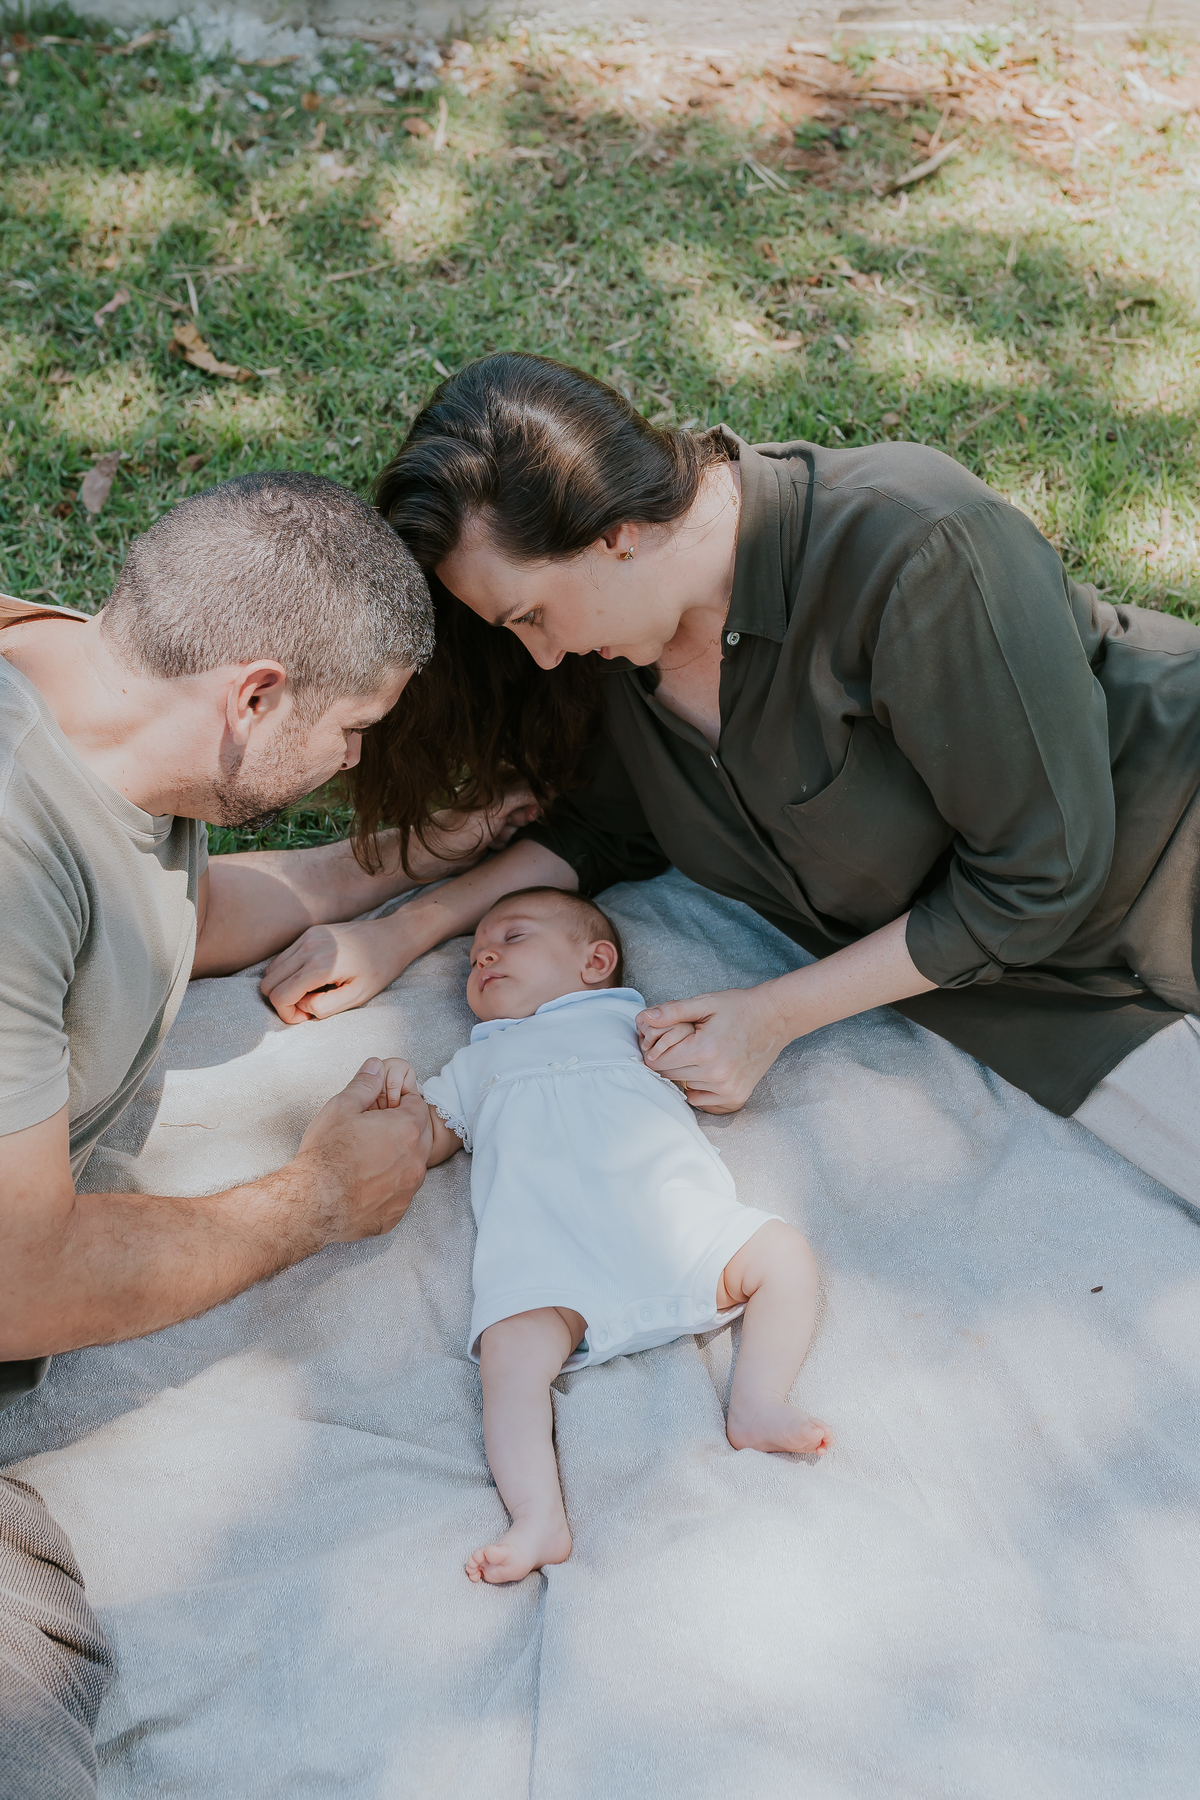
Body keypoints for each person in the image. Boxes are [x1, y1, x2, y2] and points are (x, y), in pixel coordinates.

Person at [260, 354, 1200, 1210]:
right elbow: (605, 828)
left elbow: (1041, 876)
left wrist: (773, 1017)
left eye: (531, 616)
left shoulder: (923, 550)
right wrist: (401, 931)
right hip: (1029, 978)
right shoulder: (621, 641)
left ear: (617, 533)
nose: (541, 656)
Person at [0, 472, 533, 1800]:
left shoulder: (83, 685)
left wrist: (394, 864)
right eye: (354, 729)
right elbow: (19, 1279)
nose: (354, 761)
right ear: (254, 695)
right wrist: (319, 1199)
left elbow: (165, 905)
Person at [399, 885, 827, 1585]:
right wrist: (395, 1102)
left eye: (511, 937)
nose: (484, 957)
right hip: (553, 1262)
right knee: (508, 1356)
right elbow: (425, 1136)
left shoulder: (635, 1023)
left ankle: (757, 1401)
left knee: (781, 1251)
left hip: (676, 1227)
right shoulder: (473, 1064)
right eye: (475, 956)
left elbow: (711, 1061)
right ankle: (537, 1517)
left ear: (595, 962)